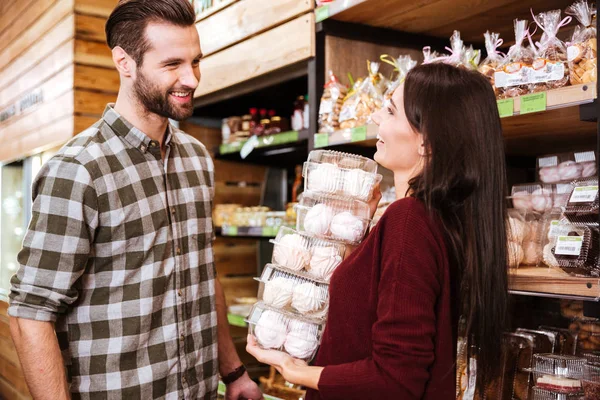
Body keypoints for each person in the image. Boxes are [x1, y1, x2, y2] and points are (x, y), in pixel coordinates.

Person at [8, 1, 263, 399]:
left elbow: (201, 273)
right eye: (172, 64)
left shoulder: (196, 159)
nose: (192, 78)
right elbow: (31, 314)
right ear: (125, 63)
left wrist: (233, 373)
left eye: (196, 62)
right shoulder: (77, 169)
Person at [247, 62, 509, 399]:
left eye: (389, 110)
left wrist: (298, 371)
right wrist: (363, 237)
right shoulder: (428, 217)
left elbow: (396, 379)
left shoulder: (409, 220)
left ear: (427, 142)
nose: (375, 119)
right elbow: (371, 311)